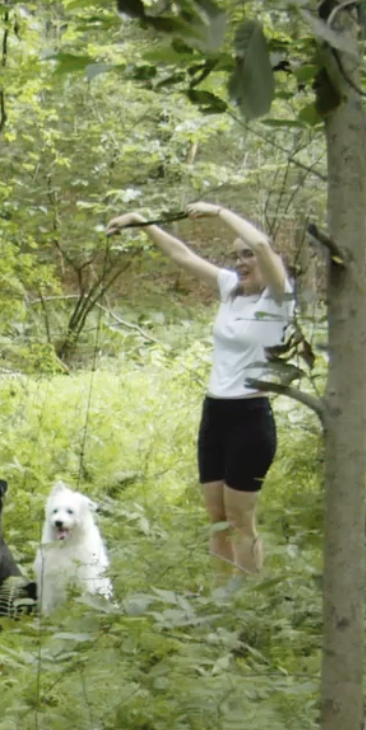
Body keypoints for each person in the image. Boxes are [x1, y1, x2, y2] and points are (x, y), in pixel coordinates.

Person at [105, 201, 293, 575]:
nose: (241, 262)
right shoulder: (230, 289)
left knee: (241, 519)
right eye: (235, 256)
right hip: (216, 414)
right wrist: (143, 223)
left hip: (250, 417)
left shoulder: (278, 298)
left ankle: (248, 601)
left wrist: (220, 212)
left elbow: (264, 246)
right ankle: (221, 604)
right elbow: (182, 255)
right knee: (217, 518)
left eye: (246, 255)